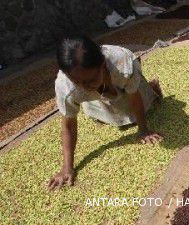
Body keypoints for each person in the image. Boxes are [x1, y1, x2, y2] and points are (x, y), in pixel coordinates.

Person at [48, 35, 163, 190]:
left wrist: (143, 130)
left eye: (89, 80)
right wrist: (67, 167)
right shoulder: (66, 87)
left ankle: (150, 88)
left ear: (102, 65)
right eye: (77, 82)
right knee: (116, 120)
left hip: (123, 82)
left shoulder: (122, 64)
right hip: (101, 91)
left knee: (142, 109)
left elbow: (135, 99)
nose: (84, 86)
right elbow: (68, 125)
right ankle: (106, 96)